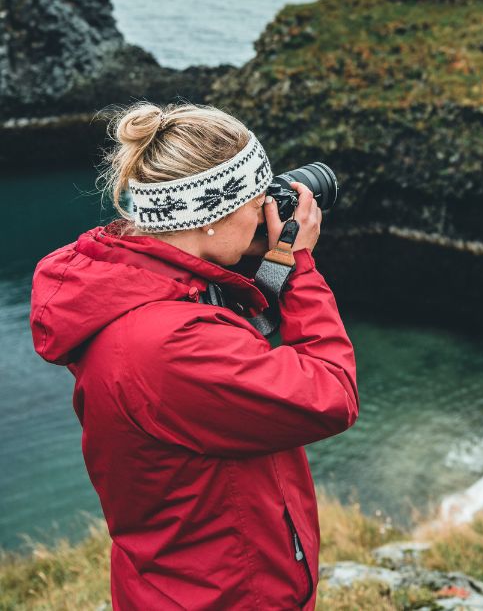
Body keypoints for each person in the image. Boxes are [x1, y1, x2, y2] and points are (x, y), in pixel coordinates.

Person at [29, 101, 359, 610]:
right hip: (223, 595)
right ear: (209, 218)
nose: (264, 213)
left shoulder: (139, 285)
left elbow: (227, 335)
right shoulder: (167, 345)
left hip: (193, 579)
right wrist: (300, 266)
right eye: (255, 199)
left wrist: (262, 263)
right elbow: (331, 394)